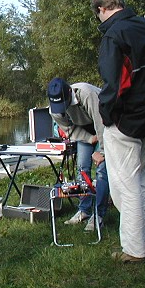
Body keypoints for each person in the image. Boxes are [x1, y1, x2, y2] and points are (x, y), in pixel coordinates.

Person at [92, 0, 145, 263]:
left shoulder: (114, 35)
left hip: (126, 121)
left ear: (101, 9)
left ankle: (134, 250)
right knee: (144, 180)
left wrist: (107, 115)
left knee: (125, 186)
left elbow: (114, 83)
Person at [47, 78, 110, 232]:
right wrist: (89, 139)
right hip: (84, 129)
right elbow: (69, 130)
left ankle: (98, 215)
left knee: (102, 171)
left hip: (105, 124)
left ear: (70, 92)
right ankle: (85, 210)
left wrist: (101, 151)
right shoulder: (54, 109)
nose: (62, 108)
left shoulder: (87, 94)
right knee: (82, 168)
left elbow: (102, 124)